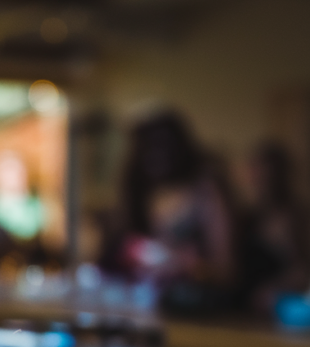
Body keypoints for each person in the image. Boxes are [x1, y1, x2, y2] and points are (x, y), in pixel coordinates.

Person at [101, 111, 239, 314]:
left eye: (160, 147)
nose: (153, 157)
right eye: (146, 149)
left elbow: (227, 271)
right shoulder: (150, 194)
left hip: (205, 311)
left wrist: (188, 265)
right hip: (156, 308)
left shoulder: (207, 191)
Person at [237, 140, 310, 313]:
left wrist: (272, 289)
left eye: (269, 176)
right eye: (258, 175)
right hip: (245, 307)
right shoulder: (247, 217)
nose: (263, 182)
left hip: (282, 308)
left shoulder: (296, 218)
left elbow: (303, 271)